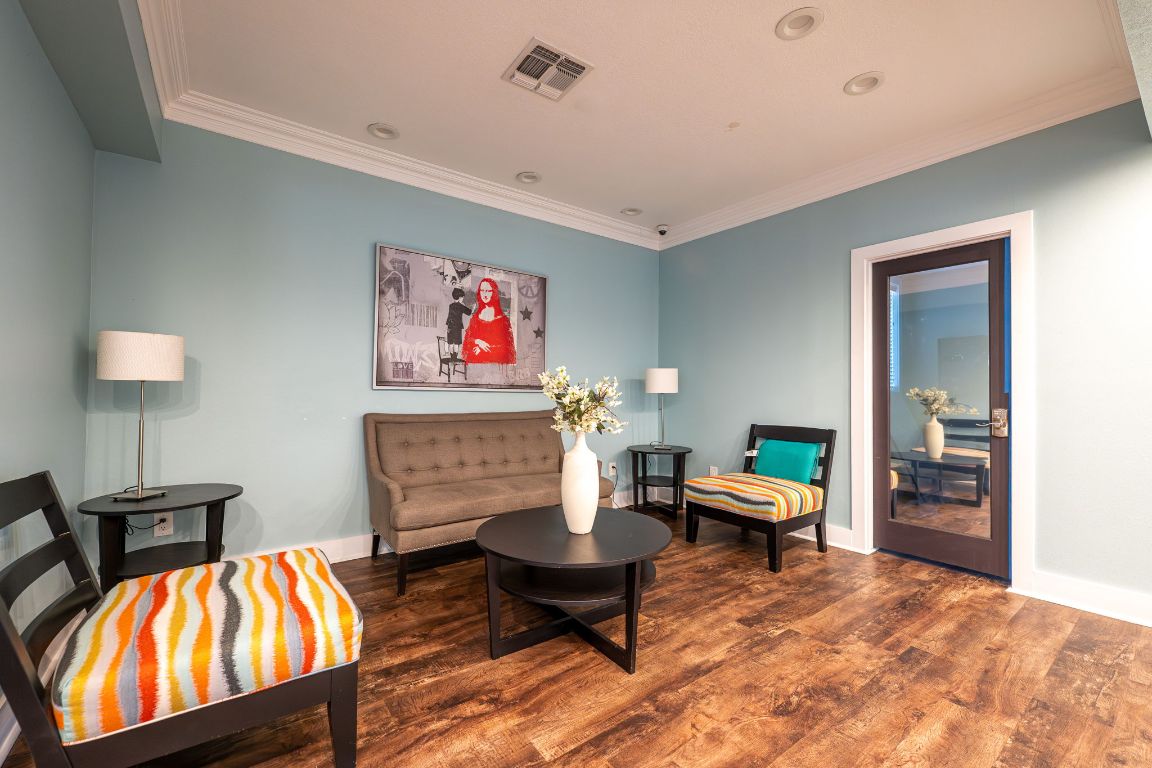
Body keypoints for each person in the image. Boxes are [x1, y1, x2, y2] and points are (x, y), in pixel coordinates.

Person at [462, 278, 516, 364]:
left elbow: (508, 349)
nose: (485, 294)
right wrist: (478, 342)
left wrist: (482, 348)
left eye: (488, 291)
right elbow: (467, 339)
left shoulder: (503, 320)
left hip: (495, 365)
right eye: (482, 290)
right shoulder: (475, 318)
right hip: (475, 363)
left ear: (493, 293)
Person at [445, 287, 471, 359]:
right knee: (456, 344)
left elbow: (449, 316)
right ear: (459, 298)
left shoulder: (451, 305)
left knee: (451, 343)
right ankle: (455, 358)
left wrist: (447, 326)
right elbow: (469, 312)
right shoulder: (461, 306)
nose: (463, 299)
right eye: (462, 297)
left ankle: (452, 358)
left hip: (450, 327)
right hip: (457, 327)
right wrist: (465, 305)